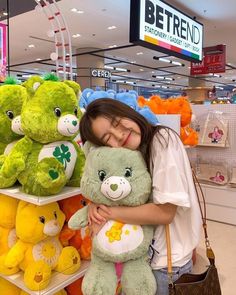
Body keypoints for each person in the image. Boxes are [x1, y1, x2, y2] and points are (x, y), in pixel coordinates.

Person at [79, 98, 201, 295]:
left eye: (117, 123)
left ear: (127, 111)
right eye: (107, 137)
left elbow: (165, 213)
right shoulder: (135, 152)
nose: (119, 135)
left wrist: (108, 212)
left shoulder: (162, 140)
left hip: (166, 265)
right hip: (143, 260)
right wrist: (95, 203)